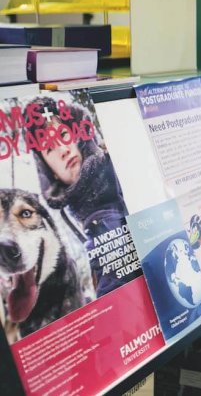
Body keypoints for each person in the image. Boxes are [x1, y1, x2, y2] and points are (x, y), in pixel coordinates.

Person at [28, 95, 134, 298]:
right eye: (49, 148)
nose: (63, 150)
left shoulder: (117, 164)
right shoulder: (74, 224)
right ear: (48, 170)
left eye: (64, 135)